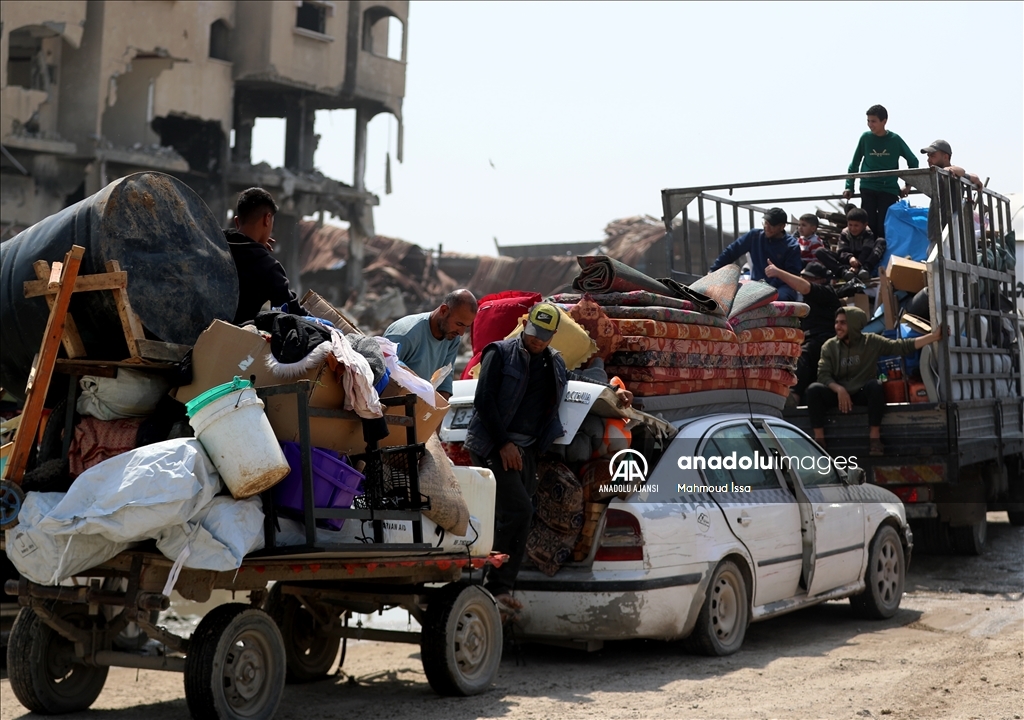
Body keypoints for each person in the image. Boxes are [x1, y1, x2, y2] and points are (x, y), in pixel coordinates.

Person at [464, 302, 631, 619]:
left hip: (527, 450)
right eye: (532, 333)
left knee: (516, 513)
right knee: (519, 509)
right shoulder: (498, 354)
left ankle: (495, 586)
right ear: (525, 325)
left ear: (553, 335)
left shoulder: (552, 362)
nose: (536, 340)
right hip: (492, 444)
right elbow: (483, 402)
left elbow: (573, 381)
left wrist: (613, 392)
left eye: (544, 336)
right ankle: (496, 586)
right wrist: (504, 443)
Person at [806, 307, 941, 455]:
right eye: (837, 322)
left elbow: (901, 346)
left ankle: (874, 439)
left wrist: (933, 337)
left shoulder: (871, 342)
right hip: (838, 396)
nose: (838, 326)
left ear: (854, 324)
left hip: (861, 394)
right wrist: (838, 389)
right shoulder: (829, 346)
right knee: (814, 390)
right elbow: (823, 375)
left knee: (875, 386)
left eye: (843, 323)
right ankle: (819, 440)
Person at [764, 259, 846, 404]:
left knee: (806, 353)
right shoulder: (806, 303)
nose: (805, 281)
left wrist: (778, 272)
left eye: (809, 278)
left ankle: (793, 398)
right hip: (809, 341)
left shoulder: (827, 292)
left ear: (819, 280)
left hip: (824, 341)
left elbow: (805, 287)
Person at [225, 187, 307, 324]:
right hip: (231, 340)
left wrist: (253, 243)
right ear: (267, 219)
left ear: (237, 221)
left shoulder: (215, 242)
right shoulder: (267, 267)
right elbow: (294, 312)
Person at [384, 290, 478, 399]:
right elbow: (381, 377)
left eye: (466, 327)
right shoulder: (405, 334)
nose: (461, 333)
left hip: (417, 407)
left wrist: (438, 413)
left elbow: (445, 381)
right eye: (459, 324)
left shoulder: (452, 338)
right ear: (444, 311)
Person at [843, 104, 919, 238]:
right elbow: (854, 163)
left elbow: (913, 161)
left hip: (888, 189)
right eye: (868, 121)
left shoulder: (894, 140)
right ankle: (869, 256)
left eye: (873, 121)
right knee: (869, 225)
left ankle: (885, 256)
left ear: (884, 121)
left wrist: (908, 186)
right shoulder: (865, 138)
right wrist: (849, 187)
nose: (870, 124)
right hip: (868, 187)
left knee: (885, 226)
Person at [709, 207, 802, 301]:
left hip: (781, 287)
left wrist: (773, 281)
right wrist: (713, 272)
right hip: (756, 284)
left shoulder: (792, 246)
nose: (767, 227)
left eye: (772, 225)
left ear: (782, 226)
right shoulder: (754, 236)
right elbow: (731, 252)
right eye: (765, 223)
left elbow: (792, 275)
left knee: (779, 299)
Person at [919, 139, 983, 244]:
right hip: (937, 236)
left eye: (933, 156)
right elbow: (971, 176)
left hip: (948, 236)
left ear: (945, 157)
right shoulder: (938, 175)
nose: (929, 159)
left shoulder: (952, 175)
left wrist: (951, 170)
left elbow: (964, 172)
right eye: (928, 156)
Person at [815, 207, 885, 282]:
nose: (852, 228)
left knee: (881, 241)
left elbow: (866, 251)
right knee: (820, 251)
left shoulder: (868, 233)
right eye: (850, 225)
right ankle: (843, 272)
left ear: (865, 225)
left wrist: (859, 265)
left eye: (856, 225)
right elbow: (842, 251)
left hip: (864, 261)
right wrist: (850, 258)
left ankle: (865, 269)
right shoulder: (845, 233)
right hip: (848, 262)